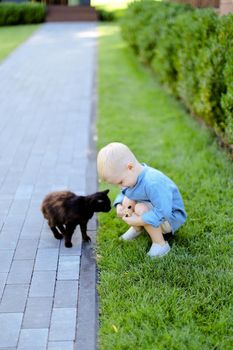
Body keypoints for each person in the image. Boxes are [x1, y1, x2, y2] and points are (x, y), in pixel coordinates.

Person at [97, 142, 187, 258]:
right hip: (158, 212)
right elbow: (126, 192)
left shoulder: (152, 182)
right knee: (127, 199)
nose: (121, 187)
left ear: (130, 167)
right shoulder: (132, 177)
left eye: (120, 182)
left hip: (170, 218)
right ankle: (137, 229)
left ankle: (160, 244)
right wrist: (119, 204)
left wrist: (139, 220)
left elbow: (164, 211)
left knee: (140, 207)